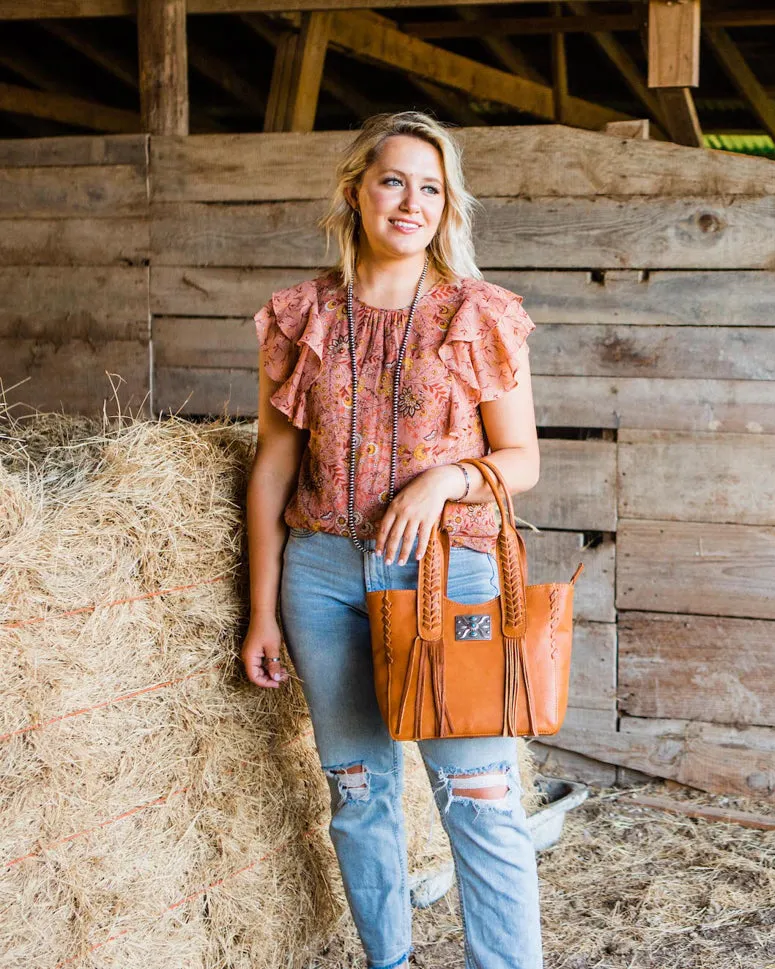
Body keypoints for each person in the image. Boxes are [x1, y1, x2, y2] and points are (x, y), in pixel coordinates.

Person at [240, 111, 544, 969]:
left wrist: (445, 478)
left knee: (481, 795)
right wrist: (262, 612)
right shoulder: (302, 317)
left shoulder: (480, 315)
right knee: (360, 791)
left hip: (449, 573)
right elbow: (272, 468)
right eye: (393, 180)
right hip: (322, 574)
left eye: (431, 187)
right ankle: (390, 961)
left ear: (448, 208)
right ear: (356, 191)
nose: (411, 201)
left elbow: (521, 458)